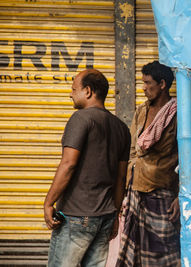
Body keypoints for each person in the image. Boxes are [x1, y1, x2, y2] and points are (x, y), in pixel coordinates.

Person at [43, 69, 131, 266]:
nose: (70, 94)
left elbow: (68, 164)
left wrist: (49, 202)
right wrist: (115, 215)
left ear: (88, 91)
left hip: (76, 216)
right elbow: (121, 179)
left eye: (74, 89)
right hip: (105, 217)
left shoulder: (81, 118)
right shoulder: (121, 128)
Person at [117, 61, 180, 266]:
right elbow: (133, 151)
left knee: (164, 255)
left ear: (162, 84)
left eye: (147, 83)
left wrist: (181, 197)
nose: (143, 87)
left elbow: (189, 159)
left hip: (162, 193)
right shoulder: (141, 111)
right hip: (136, 190)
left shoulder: (178, 113)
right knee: (134, 255)